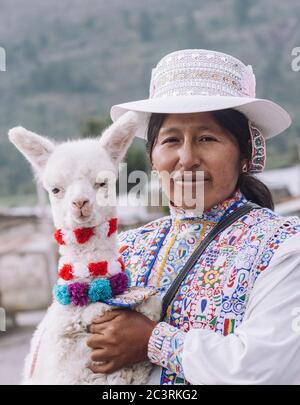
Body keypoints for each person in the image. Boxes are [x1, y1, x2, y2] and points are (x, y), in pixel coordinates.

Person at [86, 49, 300, 384]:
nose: (186, 158)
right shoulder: (123, 250)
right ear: (153, 158)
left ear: (246, 154)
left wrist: (152, 341)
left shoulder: (284, 248)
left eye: (206, 138)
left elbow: (265, 369)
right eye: (171, 140)